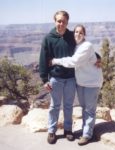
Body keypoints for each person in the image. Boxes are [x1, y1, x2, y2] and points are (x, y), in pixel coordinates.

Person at [52, 24, 103, 145]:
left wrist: (55, 61)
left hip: (92, 83)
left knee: (89, 110)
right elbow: (93, 55)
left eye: (80, 32)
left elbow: (74, 61)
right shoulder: (77, 46)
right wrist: (98, 57)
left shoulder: (87, 45)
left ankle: (86, 135)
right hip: (80, 83)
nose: (78, 34)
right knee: (84, 108)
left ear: (84, 34)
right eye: (76, 32)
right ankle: (87, 129)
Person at [39, 10, 76, 144]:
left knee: (68, 105)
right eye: (59, 21)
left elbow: (85, 48)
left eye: (64, 21)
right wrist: (44, 79)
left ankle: (68, 130)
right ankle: (52, 131)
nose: (61, 24)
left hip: (71, 78)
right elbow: (43, 59)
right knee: (54, 106)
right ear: (55, 21)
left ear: (67, 22)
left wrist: (97, 57)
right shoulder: (48, 38)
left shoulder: (72, 36)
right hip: (56, 78)